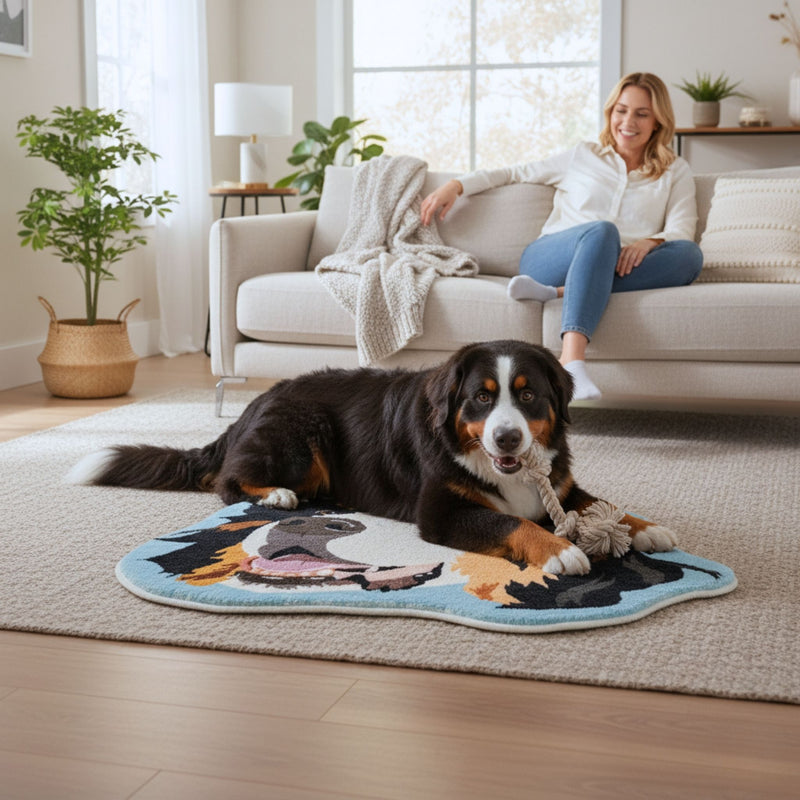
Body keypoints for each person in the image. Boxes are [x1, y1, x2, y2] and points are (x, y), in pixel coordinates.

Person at [420, 72, 703, 401]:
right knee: (602, 231)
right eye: (621, 110)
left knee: (690, 257)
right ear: (610, 113)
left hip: (623, 263)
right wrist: (455, 185)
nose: (628, 121)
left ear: (658, 121)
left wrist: (648, 242)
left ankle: (559, 292)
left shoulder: (675, 170)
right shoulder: (583, 156)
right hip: (549, 258)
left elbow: (682, 230)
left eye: (642, 114)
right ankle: (571, 361)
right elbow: (514, 173)